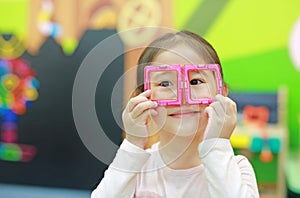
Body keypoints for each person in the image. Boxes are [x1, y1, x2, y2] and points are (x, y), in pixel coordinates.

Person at [91, 30, 259, 198]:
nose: (183, 97)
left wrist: (217, 145)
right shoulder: (136, 169)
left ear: (221, 93)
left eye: (195, 81)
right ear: (143, 99)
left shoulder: (237, 170)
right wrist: (133, 143)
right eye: (165, 83)